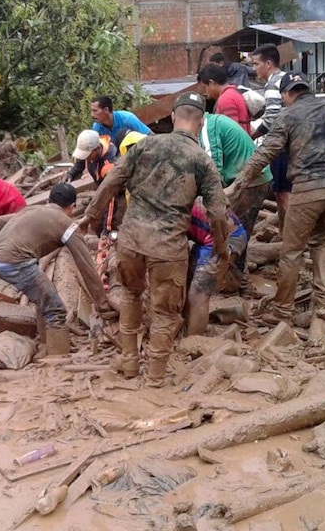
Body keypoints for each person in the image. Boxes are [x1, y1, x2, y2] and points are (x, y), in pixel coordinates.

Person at [79, 92, 229, 387]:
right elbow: (219, 214)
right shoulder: (202, 161)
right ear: (199, 123)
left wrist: (90, 214)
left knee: (132, 296)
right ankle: (156, 379)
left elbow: (112, 181)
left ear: (173, 117)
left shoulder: (144, 145)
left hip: (131, 242)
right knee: (164, 312)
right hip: (167, 248)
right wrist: (222, 249)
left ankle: (131, 362)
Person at [229, 71, 325, 327]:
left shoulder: (289, 115)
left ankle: (282, 311)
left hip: (309, 189)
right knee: (319, 242)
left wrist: (238, 183)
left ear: (287, 94)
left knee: (291, 251)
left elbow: (266, 152)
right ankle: (324, 301)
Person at [0, 184, 113, 355]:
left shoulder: (31, 210)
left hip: (0, 261)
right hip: (17, 263)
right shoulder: (67, 226)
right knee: (56, 309)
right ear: (71, 207)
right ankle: (57, 356)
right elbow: (87, 267)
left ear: (49, 200)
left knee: (43, 299)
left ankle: (45, 343)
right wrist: (103, 304)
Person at [199, 112, 272, 293]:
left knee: (235, 232)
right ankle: (239, 281)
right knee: (239, 230)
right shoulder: (215, 121)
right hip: (252, 178)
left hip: (249, 182)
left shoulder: (208, 127)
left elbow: (213, 169)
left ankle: (237, 284)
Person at [185, 200, 247, 336]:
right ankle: (188, 327)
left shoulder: (165, 208)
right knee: (187, 282)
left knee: (198, 293)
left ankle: (192, 342)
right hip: (206, 236)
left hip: (225, 238)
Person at [250, 43, 291, 230]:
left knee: (283, 193)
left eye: (256, 64)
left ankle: (291, 235)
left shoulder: (273, 83)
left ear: (268, 64)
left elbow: (273, 118)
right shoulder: (288, 79)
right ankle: (285, 232)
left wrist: (252, 135)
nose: (254, 69)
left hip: (283, 145)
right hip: (300, 142)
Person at [64, 129, 124, 236]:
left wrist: (107, 229)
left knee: (108, 224)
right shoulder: (93, 148)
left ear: (96, 149)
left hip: (119, 193)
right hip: (103, 188)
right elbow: (82, 161)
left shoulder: (108, 166)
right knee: (95, 221)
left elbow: (110, 197)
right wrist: (71, 174)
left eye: (87, 155)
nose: (85, 157)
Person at [197, 63, 251, 133]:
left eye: (205, 87)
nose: (205, 93)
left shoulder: (226, 99)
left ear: (211, 83)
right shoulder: (234, 93)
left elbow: (231, 133)